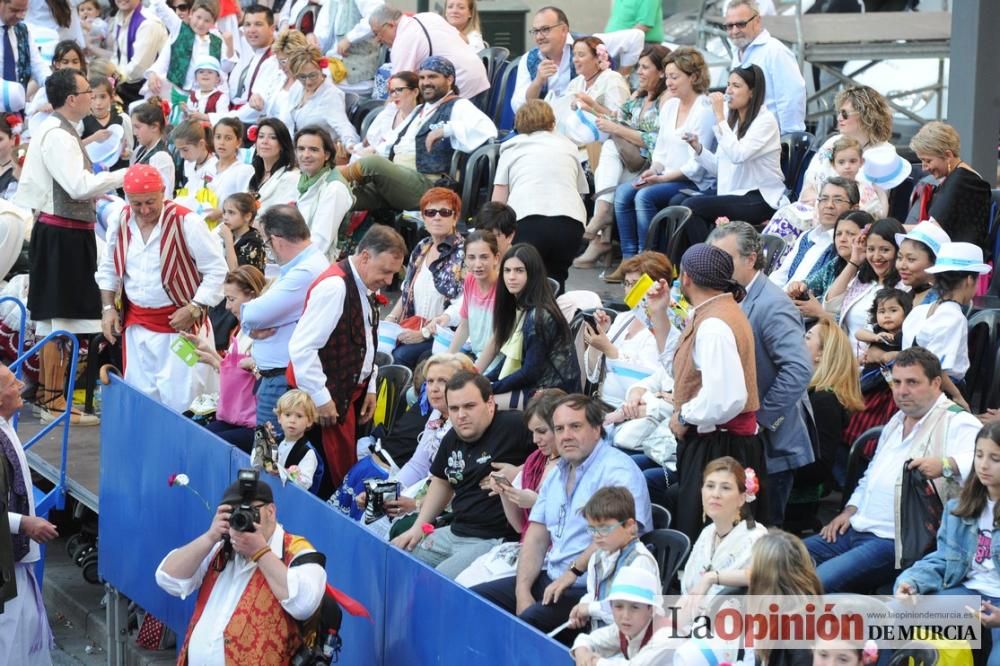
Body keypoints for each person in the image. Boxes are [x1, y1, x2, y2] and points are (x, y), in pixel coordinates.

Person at [472, 393, 653, 636]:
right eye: (559, 428)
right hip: (552, 578)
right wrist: (522, 591)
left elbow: (619, 535)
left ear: (597, 429)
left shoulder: (618, 471)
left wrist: (572, 572)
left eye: (575, 426)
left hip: (592, 590)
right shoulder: (558, 472)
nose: (566, 435)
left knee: (529, 621)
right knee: (476, 600)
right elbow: (536, 537)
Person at [804, 347, 981, 592]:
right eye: (896, 382)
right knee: (777, 559)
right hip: (855, 527)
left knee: (816, 582)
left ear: (936, 383)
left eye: (912, 382)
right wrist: (849, 510)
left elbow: (984, 464)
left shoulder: (958, 421)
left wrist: (945, 465)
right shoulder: (896, 421)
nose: (901, 390)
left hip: (896, 542)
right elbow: (870, 476)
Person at [16, 69, 127, 426]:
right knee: (61, 319)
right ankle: (53, 401)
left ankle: (54, 399)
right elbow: (78, 186)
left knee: (57, 319)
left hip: (62, 231)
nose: (92, 97)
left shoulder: (59, 129)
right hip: (63, 233)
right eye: (86, 91)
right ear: (71, 99)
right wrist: (124, 176)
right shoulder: (58, 135)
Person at [652, 243, 766, 542]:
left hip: (720, 445)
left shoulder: (714, 324)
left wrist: (683, 415)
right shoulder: (714, 312)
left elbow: (727, 398)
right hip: (716, 441)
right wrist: (659, 314)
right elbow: (680, 369)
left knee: (711, 532)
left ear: (686, 278)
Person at [155, 473, 326, 663]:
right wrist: (210, 536)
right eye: (234, 513)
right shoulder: (221, 549)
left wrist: (260, 552)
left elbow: (304, 604)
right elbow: (166, 578)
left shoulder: (296, 551)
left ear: (271, 511)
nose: (242, 519)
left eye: (250, 511)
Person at [96, 164, 227, 413]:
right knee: (143, 403)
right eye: (137, 204)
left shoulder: (187, 221)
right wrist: (107, 308)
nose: (144, 210)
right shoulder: (119, 219)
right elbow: (109, 268)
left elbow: (217, 271)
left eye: (150, 202)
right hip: (137, 330)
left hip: (182, 331)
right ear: (126, 198)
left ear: (163, 192)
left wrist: (196, 307)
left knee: (185, 402)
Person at [709, 222, 813, 525]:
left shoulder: (773, 304)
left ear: (751, 258)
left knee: (762, 535)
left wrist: (762, 419)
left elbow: (798, 369)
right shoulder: (729, 295)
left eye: (724, 258)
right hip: (740, 438)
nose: (717, 267)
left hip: (773, 443)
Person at [288, 224, 407, 488]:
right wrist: (320, 398)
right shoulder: (335, 287)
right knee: (320, 481)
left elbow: (366, 342)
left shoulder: (363, 282)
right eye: (385, 271)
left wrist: (371, 387)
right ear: (365, 256)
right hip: (319, 406)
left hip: (344, 398)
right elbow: (302, 348)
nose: (389, 282)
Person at [391, 371, 535, 578]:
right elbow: (441, 482)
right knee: (396, 558)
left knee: (437, 581)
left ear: (490, 403)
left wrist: (520, 471)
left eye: (469, 406)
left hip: (495, 539)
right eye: (454, 408)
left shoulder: (516, 425)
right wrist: (417, 528)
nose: (461, 415)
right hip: (454, 531)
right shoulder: (452, 437)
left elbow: (557, 456)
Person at [894, 422, 1000, 666]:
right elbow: (943, 558)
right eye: (979, 455)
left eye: (995, 458)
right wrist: (912, 581)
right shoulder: (958, 508)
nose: (984, 465)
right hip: (970, 594)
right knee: (892, 615)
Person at [339, 55, 496, 213]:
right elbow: (390, 146)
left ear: (449, 80)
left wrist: (446, 130)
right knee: (336, 195)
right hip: (395, 182)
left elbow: (488, 130)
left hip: (429, 186)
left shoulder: (458, 105)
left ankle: (330, 176)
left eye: (432, 77)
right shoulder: (419, 110)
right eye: (422, 77)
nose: (426, 82)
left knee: (372, 164)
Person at [606, 46, 716, 269]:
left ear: (693, 76)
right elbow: (661, 149)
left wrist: (662, 179)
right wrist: (654, 169)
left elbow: (695, 165)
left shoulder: (704, 109)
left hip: (691, 180)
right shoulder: (671, 105)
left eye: (675, 77)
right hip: (667, 175)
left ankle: (650, 260)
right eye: (668, 77)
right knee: (625, 191)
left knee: (644, 196)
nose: (669, 82)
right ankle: (630, 259)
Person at [675, 65, 785, 264]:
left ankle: (709, 264)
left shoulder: (765, 121)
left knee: (692, 207)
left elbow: (738, 155)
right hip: (737, 193)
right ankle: (683, 268)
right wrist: (698, 148)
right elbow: (720, 168)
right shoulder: (733, 123)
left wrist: (719, 117)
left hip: (761, 196)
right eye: (728, 85)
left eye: (736, 86)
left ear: (752, 92)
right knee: (681, 206)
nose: (728, 91)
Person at [455, 389, 565, 588]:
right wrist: (505, 493)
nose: (535, 440)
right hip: (525, 547)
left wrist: (537, 503)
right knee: (462, 581)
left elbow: (572, 527)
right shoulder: (535, 460)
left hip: (553, 559)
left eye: (541, 431)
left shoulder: (574, 468)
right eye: (532, 432)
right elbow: (519, 527)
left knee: (476, 589)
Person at [575, 44, 670, 267]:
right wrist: (593, 107)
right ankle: (604, 232)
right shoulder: (638, 96)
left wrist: (617, 129)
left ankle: (602, 227)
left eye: (646, 67)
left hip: (652, 165)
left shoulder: (666, 101)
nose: (639, 72)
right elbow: (617, 119)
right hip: (631, 164)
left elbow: (657, 140)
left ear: (661, 71)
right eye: (639, 66)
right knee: (608, 150)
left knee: (609, 148)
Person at [240, 205, 329, 438]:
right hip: (276, 378)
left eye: (266, 244)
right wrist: (250, 326)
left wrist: (249, 324)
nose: (268, 250)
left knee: (271, 460)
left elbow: (251, 314)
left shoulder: (306, 271)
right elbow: (253, 314)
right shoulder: (299, 266)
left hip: (282, 380)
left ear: (277, 240)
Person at [492, 100, 588, 291]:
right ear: (552, 123)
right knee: (556, 283)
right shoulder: (568, 146)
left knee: (522, 283)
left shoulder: (511, 147)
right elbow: (579, 190)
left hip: (528, 220)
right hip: (571, 223)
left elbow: (498, 201)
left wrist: (490, 235)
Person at [0, 365, 58, 664]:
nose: (21, 385)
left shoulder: (6, 427)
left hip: (14, 566)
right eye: (11, 383)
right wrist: (24, 523)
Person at [480, 244, 581, 408]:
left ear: (532, 274)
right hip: (533, 387)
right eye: (507, 270)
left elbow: (530, 373)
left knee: (477, 405)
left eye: (519, 270)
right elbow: (511, 359)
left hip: (552, 396)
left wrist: (489, 389)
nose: (511, 277)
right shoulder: (520, 308)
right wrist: (484, 381)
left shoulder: (539, 315)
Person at [675, 457, 766, 628]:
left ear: (741, 498)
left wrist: (712, 578)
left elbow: (761, 574)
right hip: (693, 625)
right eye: (710, 486)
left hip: (729, 633)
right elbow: (688, 593)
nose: (715, 494)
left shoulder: (755, 536)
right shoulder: (708, 533)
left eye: (725, 488)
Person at [900, 242, 991, 410]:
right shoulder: (953, 317)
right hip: (939, 393)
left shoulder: (921, 311)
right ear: (969, 280)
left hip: (912, 386)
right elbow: (936, 368)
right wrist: (957, 397)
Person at [383, 187, 465, 369]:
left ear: (455, 217)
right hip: (413, 325)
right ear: (423, 217)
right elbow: (407, 291)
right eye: (430, 212)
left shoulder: (465, 253)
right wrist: (390, 319)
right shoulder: (422, 247)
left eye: (444, 212)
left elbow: (462, 306)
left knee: (399, 357)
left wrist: (425, 333)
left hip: (445, 336)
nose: (437, 217)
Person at [192, 265, 265, 451]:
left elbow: (262, 377)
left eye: (231, 299)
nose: (227, 306)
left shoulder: (264, 335)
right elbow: (234, 372)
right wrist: (208, 354)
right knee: (195, 433)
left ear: (252, 296)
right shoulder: (242, 330)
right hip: (234, 416)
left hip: (254, 423)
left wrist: (254, 367)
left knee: (206, 443)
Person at [583, 252, 670, 407]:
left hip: (633, 413)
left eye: (635, 284)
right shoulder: (624, 318)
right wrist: (598, 338)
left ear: (657, 286)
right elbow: (593, 376)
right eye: (627, 283)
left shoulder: (665, 327)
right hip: (601, 404)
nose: (629, 290)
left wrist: (609, 349)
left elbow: (646, 381)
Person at [567, 486, 658, 631]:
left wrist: (590, 609)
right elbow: (594, 594)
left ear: (629, 526)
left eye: (603, 528)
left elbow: (627, 613)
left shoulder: (639, 560)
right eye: (592, 529)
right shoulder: (597, 557)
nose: (597, 535)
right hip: (603, 638)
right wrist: (581, 608)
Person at [799, 86, 894, 206]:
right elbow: (810, 182)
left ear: (865, 115)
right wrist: (811, 196)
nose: (839, 118)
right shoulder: (832, 142)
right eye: (839, 113)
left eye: (844, 114)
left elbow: (870, 204)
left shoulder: (884, 154)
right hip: (815, 211)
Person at [369, 4, 489, 100]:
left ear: (390, 25)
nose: (377, 39)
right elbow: (464, 39)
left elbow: (399, 88)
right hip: (479, 76)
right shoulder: (429, 16)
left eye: (377, 33)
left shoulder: (403, 42)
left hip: (462, 85)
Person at [723, 0, 805, 133]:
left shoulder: (775, 51)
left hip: (771, 143)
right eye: (729, 26)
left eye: (741, 24)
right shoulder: (738, 51)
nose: (735, 30)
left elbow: (792, 98)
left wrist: (788, 140)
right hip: (744, 141)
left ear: (757, 21)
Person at [802, 319, 864, 493]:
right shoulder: (813, 393)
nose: (799, 341)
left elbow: (818, 467)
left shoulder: (824, 400)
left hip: (799, 504)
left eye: (807, 337)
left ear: (822, 353)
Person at [910, 121, 993, 248]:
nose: (924, 168)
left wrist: (891, 229)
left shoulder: (962, 180)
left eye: (928, 161)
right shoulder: (959, 178)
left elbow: (932, 231)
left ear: (948, 155)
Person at [570, 566, 673, 665]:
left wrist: (595, 661)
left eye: (635, 607)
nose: (625, 616)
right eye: (619, 606)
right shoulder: (622, 629)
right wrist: (581, 652)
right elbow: (588, 639)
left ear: (650, 609)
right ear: (611, 606)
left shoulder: (664, 635)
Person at [769, 178, 860, 289]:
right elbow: (780, 276)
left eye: (838, 200)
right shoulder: (806, 236)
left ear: (854, 208)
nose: (829, 205)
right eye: (824, 199)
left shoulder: (849, 245)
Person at [549, 36, 630, 146]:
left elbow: (622, 120)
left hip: (606, 145)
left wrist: (592, 105)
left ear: (598, 58)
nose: (575, 59)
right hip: (574, 142)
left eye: (581, 55)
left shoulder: (612, 79)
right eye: (574, 54)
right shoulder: (576, 82)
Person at [211, 5, 283, 125]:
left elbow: (256, 109)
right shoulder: (255, 50)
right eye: (247, 25)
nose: (251, 30)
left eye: (258, 24)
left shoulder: (276, 59)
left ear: (272, 29)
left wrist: (215, 119)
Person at [145, 0, 231, 100]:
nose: (200, 23)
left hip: (203, 99)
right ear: (191, 14)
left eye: (207, 21)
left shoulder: (218, 41)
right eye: (198, 17)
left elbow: (226, 69)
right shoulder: (179, 28)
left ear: (213, 22)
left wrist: (230, 46)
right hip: (175, 94)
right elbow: (160, 7)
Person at [787, 210, 868, 313]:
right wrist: (798, 287)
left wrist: (820, 312)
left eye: (850, 234)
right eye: (838, 234)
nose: (842, 239)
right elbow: (809, 283)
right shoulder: (835, 264)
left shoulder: (872, 272)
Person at [292, 126, 353, 258]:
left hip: (317, 264)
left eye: (313, 150)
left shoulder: (335, 188)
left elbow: (320, 243)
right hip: (295, 255)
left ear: (327, 155)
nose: (306, 155)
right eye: (301, 149)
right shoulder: (302, 180)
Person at [284, 43, 360, 148]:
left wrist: (351, 145)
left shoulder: (331, 95)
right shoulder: (296, 88)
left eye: (313, 75)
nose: (308, 82)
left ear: (321, 69)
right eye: (302, 77)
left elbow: (343, 126)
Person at [442, 229, 498, 358]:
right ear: (465, 260)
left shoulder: (503, 288)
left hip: (495, 361)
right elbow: (465, 326)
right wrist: (447, 358)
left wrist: (475, 370)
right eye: (471, 257)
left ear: (496, 258)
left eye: (484, 257)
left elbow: (497, 341)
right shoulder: (470, 279)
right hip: (476, 353)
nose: (477, 264)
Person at [253, 389, 321, 493]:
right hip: (269, 493)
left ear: (309, 421)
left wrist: (281, 472)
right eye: (287, 415)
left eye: (299, 416)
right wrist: (264, 442)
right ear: (279, 417)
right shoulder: (275, 440)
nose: (292, 420)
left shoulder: (307, 452)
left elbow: (305, 483)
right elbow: (256, 462)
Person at [511, 7, 574, 113]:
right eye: (536, 31)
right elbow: (518, 107)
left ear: (564, 30)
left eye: (545, 29)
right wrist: (538, 82)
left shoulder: (584, 49)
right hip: (544, 125)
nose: (539, 37)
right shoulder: (529, 59)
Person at [351, 71, 420, 160]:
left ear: (415, 92)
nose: (394, 95)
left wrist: (374, 152)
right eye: (392, 91)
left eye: (399, 90)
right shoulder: (389, 112)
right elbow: (368, 141)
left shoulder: (420, 118)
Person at [112, 0, 169, 106]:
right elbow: (115, 55)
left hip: (145, 88)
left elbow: (138, 69)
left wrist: (112, 79)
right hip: (123, 83)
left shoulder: (148, 23)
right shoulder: (118, 17)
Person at [893, 219, 950, 309]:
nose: (902, 266)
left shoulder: (942, 304)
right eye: (899, 258)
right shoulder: (905, 296)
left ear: (934, 262)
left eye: (911, 259)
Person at [0, 0, 52, 97]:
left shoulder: (23, 31)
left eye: (23, 11)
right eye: (14, 10)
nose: (20, 16)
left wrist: (54, 85)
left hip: (17, 106)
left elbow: (38, 65)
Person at [248, 116, 299, 211]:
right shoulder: (251, 173)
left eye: (273, 137)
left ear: (282, 145)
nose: (264, 141)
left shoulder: (291, 177)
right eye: (261, 136)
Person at [130, 98, 175, 197]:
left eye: (138, 127)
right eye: (133, 127)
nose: (134, 132)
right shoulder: (140, 150)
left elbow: (164, 195)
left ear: (154, 126)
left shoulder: (162, 157)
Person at [219, 193, 265, 272]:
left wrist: (228, 239)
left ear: (247, 216)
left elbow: (236, 273)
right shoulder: (230, 234)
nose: (225, 217)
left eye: (231, 212)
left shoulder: (254, 241)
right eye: (224, 212)